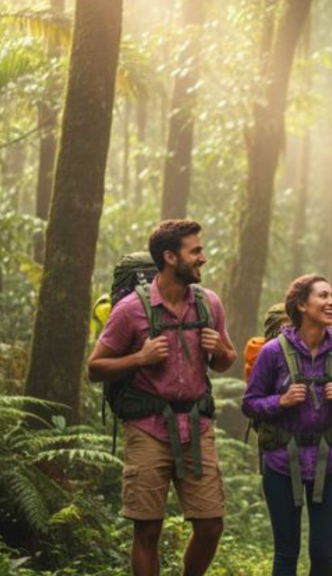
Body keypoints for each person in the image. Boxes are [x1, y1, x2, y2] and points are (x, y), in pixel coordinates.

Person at [87, 219, 238, 576]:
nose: (203, 257)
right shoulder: (131, 311)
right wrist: (139, 358)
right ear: (170, 257)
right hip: (148, 428)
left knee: (210, 524)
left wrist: (219, 349)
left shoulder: (209, 303)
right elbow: (94, 367)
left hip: (197, 427)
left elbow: (226, 361)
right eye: (195, 251)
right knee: (148, 529)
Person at [242, 274, 332, 576]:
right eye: (323, 296)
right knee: (286, 553)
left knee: (323, 553)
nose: (331, 302)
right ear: (301, 305)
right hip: (282, 462)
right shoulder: (273, 352)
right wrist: (280, 402)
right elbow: (250, 403)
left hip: (331, 463)